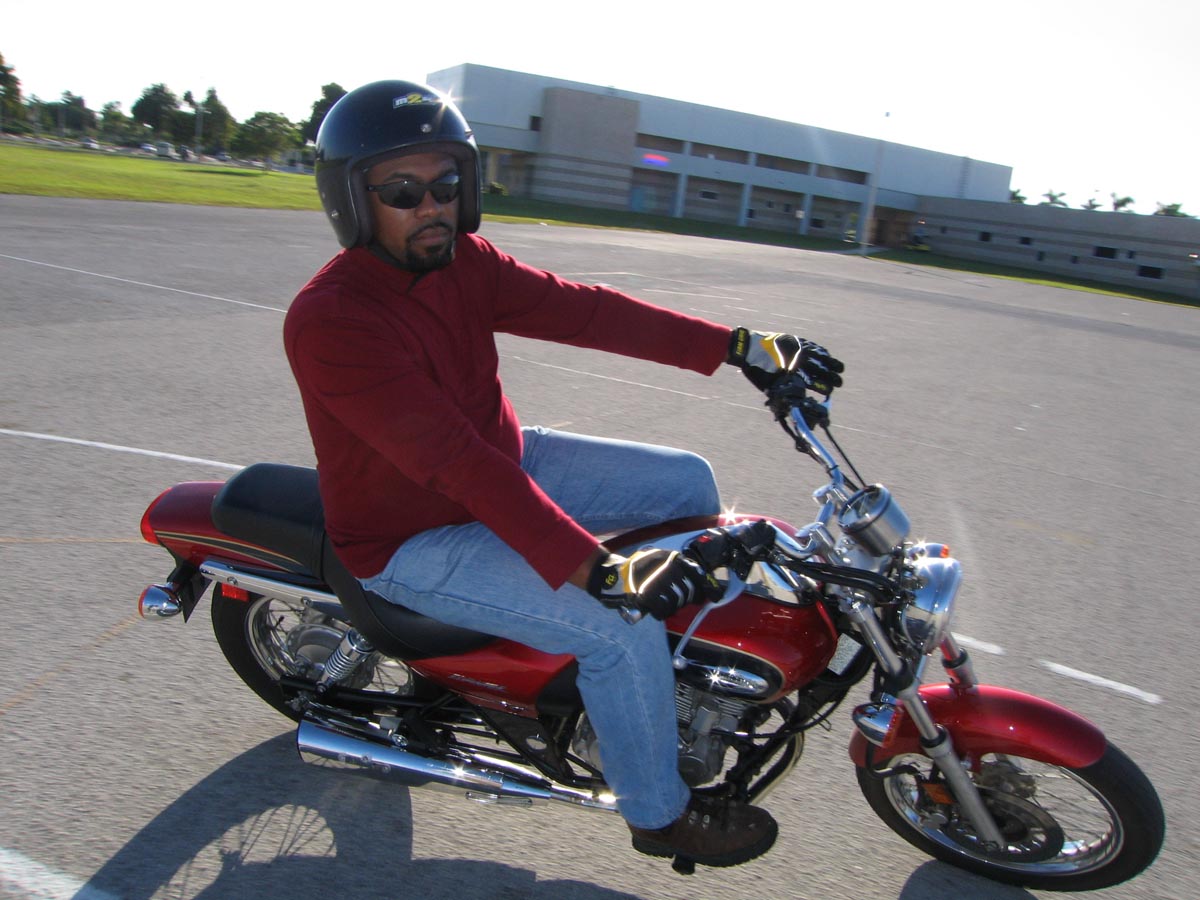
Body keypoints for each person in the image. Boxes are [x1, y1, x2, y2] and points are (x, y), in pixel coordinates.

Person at [283, 80, 843, 869]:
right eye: (403, 191)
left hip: (506, 462)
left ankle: (663, 688)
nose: (432, 206)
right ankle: (658, 811)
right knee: (617, 626)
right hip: (412, 537)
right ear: (351, 199)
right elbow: (455, 463)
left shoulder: (465, 262)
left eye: (447, 184)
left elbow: (586, 311)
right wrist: (601, 572)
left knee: (688, 484)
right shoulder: (333, 319)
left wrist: (739, 346)